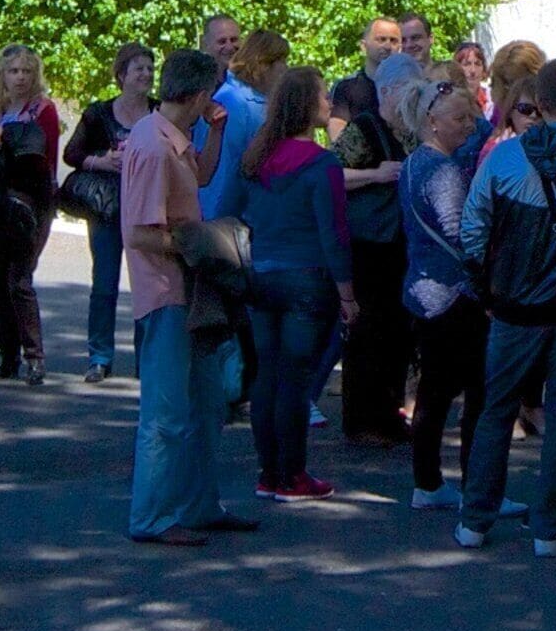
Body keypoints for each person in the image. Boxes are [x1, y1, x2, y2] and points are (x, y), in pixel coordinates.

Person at [124, 47, 256, 546]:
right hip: (167, 293)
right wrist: (200, 246)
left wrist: (217, 132)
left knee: (204, 405)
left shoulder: (171, 138)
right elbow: (139, 233)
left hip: (190, 291)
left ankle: (198, 505)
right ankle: (152, 516)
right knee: (167, 414)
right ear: (201, 94)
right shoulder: (154, 147)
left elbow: (200, 176)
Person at [459, 58, 556, 556]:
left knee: (495, 413)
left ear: (542, 104)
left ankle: (475, 521)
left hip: (512, 312)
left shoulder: (506, 160)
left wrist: (485, 291)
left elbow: (472, 230)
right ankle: (550, 531)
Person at [229, 68, 353, 499]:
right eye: (322, 95)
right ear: (305, 105)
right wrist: (347, 294)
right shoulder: (323, 164)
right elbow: (333, 234)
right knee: (295, 379)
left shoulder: (256, 157)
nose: (328, 102)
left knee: (266, 373)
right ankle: (294, 473)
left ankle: (269, 471)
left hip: (261, 275)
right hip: (307, 278)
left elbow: (240, 211)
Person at [398, 70, 494, 510]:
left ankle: (428, 482)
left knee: (434, 392)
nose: (469, 125)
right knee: (476, 391)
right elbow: (462, 236)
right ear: (433, 121)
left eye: (472, 118)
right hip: (454, 295)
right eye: (460, 118)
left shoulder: (415, 161)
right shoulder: (444, 171)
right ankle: (476, 488)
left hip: (422, 288)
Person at [329, 69, 416, 448]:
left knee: (395, 333)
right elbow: (331, 174)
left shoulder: (411, 130)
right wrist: (375, 175)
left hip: (399, 243)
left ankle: (389, 415)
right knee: (367, 333)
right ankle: (362, 420)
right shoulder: (366, 127)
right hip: (369, 243)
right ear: (390, 91)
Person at [65, 43, 154, 385]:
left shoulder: (160, 111)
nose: (145, 74)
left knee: (147, 285)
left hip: (147, 207)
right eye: (138, 69)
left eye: (149, 68)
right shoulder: (98, 114)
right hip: (107, 208)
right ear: (121, 76)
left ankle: (146, 358)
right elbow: (73, 155)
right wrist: (102, 161)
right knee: (104, 284)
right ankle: (99, 357)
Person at [0, 46, 64, 384]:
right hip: (1, 202)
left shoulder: (43, 110)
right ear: (2, 75)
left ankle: (35, 357)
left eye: (26, 71)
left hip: (34, 202)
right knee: (0, 282)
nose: (20, 77)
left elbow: (47, 161)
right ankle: (7, 357)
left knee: (20, 280)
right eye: (13, 71)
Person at [188, 14, 267, 221]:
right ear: (205, 45)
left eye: (234, 40)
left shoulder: (251, 84)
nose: (230, 47)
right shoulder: (192, 83)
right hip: (200, 190)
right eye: (222, 41)